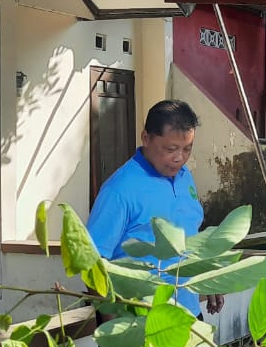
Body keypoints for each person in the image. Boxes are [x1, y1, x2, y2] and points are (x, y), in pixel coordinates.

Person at [87, 100, 223, 317]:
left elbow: (189, 233)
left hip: (188, 316)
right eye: (171, 149)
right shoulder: (119, 189)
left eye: (187, 149)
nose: (179, 158)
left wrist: (206, 273)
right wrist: (112, 327)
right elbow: (92, 264)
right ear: (146, 138)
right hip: (141, 323)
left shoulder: (185, 177)